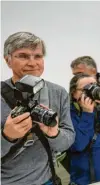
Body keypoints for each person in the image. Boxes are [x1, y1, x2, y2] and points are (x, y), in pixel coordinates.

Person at [1, 32, 75, 185]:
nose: (32, 63)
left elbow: (67, 141)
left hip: (47, 179)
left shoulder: (58, 93)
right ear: (8, 60)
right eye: (23, 56)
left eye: (38, 56)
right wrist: (6, 137)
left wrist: (54, 134)